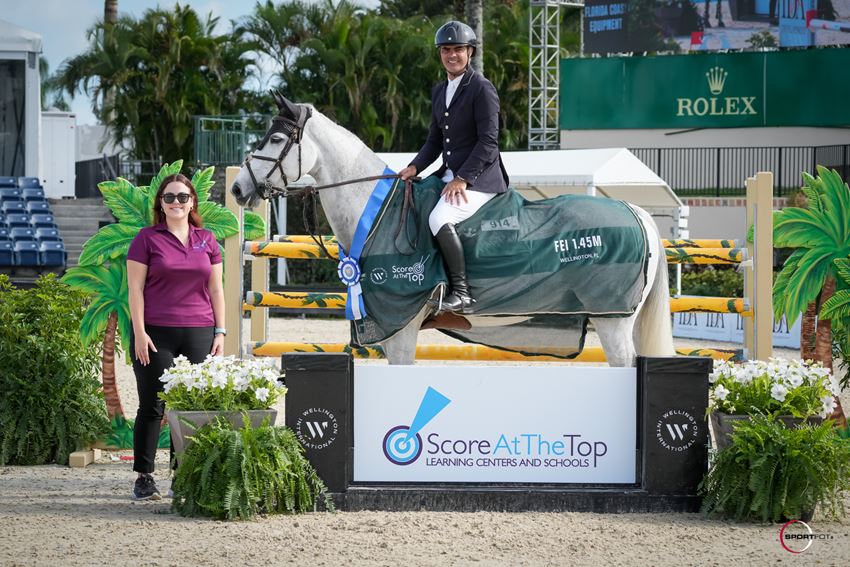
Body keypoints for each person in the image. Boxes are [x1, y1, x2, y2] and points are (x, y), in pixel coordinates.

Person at [126, 173, 225, 500]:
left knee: (192, 406)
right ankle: (144, 478)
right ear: (161, 204)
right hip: (155, 334)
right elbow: (135, 289)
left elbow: (216, 289)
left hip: (200, 331)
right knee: (153, 404)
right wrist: (139, 332)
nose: (177, 203)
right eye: (169, 197)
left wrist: (220, 331)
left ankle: (185, 477)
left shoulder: (207, 240)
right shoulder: (146, 238)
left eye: (183, 197)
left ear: (192, 201)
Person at [399, 20, 509, 314]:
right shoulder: (440, 90)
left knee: (439, 218)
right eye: (446, 49)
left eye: (458, 49)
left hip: (480, 179)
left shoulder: (482, 89)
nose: (452, 55)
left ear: (469, 52)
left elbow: (489, 143)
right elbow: (434, 141)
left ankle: (462, 293)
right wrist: (414, 166)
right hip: (448, 175)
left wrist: (462, 178)